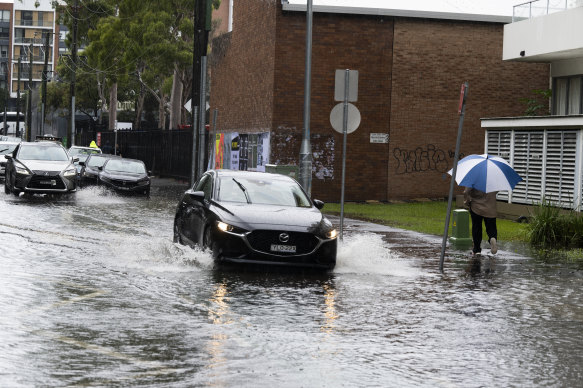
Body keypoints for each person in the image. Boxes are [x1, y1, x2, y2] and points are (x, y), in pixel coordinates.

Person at [464, 187, 498, 256]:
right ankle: (492, 238)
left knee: (477, 227)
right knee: (491, 226)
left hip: (476, 207)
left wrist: (467, 202)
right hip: (490, 206)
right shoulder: (493, 178)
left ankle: (477, 249)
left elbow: (467, 191)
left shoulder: (474, 177)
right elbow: (496, 190)